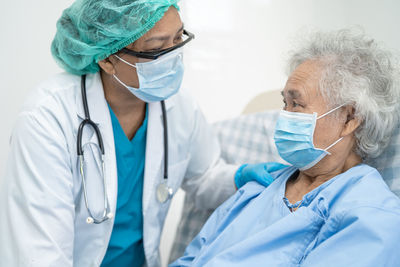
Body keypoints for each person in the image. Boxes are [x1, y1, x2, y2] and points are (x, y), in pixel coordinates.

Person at [0, 0, 273, 266]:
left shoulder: (178, 105)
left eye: (178, 38)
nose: (173, 56)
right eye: (156, 47)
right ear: (108, 59)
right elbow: (41, 255)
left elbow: (202, 178)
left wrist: (239, 177)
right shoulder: (47, 118)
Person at [171, 29, 400, 267]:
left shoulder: (370, 215)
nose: (284, 116)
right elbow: (191, 259)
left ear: (349, 119)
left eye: (296, 104)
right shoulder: (258, 189)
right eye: (285, 103)